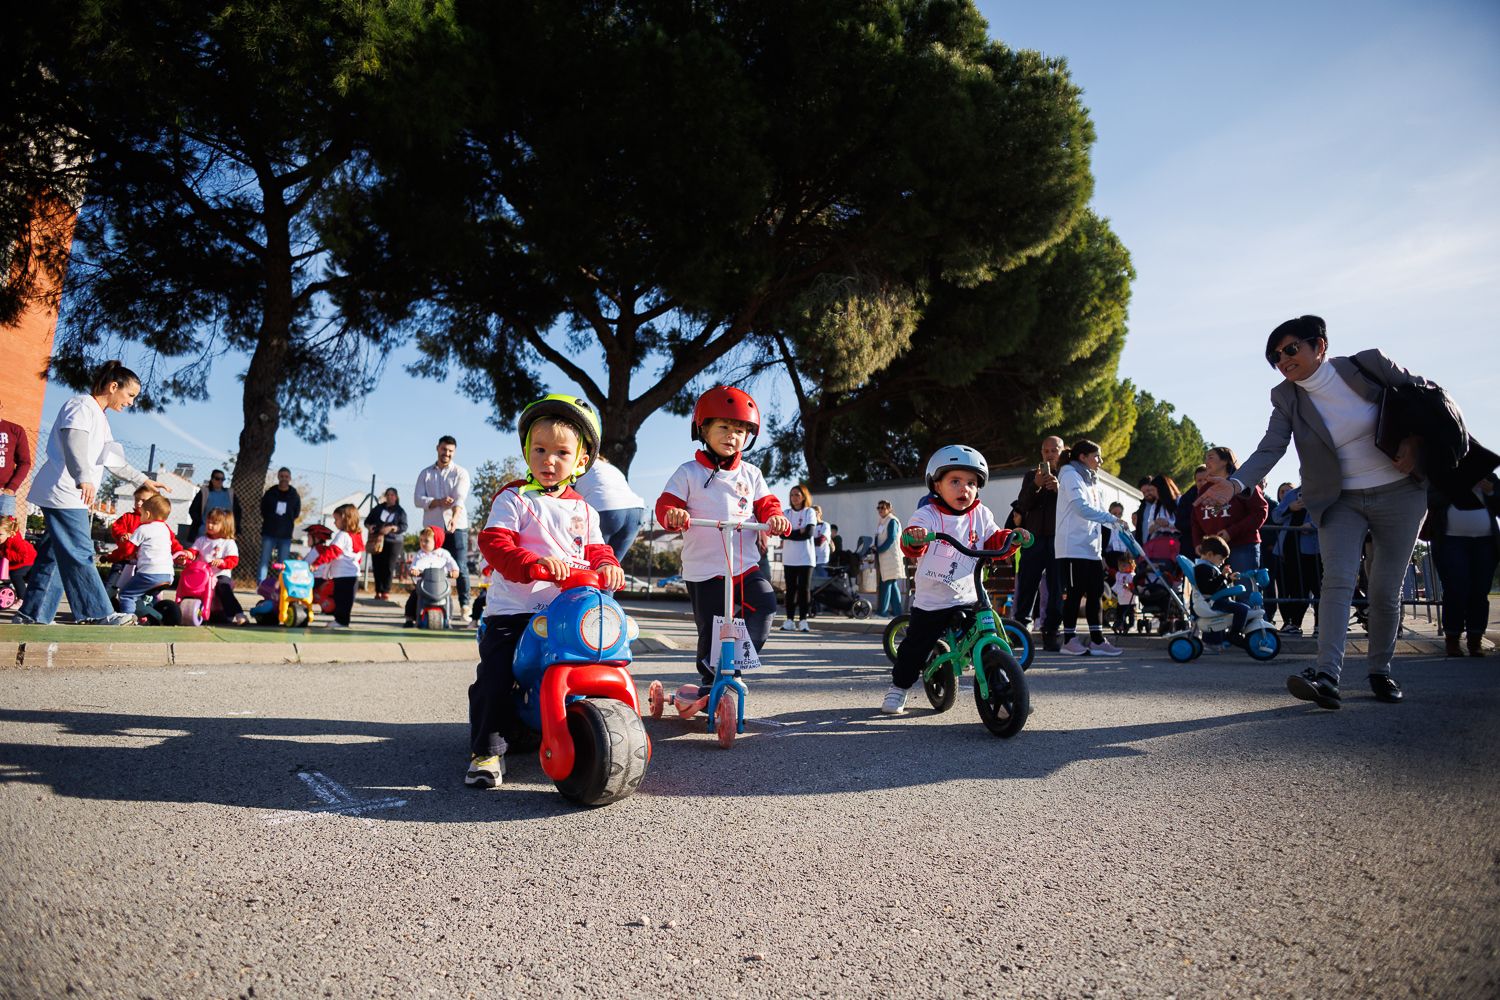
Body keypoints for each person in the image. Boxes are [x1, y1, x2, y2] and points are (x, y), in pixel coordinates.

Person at [1199, 315, 1443, 709]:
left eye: (1291, 349)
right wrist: (1236, 483)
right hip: (1339, 499)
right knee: (1338, 581)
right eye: (1275, 355)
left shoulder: (1369, 365)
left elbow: (1427, 398)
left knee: (1383, 590)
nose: (1283, 359)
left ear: (1320, 346)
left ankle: (1380, 670)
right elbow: (1270, 446)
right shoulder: (1286, 397)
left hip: (1401, 493)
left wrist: (1415, 443)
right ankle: (1327, 675)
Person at [469, 393, 623, 789]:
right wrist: (531, 564)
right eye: (539, 449)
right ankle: (486, 751)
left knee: (606, 655)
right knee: (496, 676)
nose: (548, 460)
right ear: (526, 451)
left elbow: (597, 549)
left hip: (564, 611)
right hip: (515, 609)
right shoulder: (514, 498)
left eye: (561, 452)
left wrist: (607, 565)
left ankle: (598, 725)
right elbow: (495, 543)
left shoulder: (585, 510)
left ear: (581, 461)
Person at [656, 386, 789, 700]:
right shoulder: (688, 473)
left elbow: (767, 504)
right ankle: (709, 678)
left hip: (744, 565)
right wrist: (673, 513)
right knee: (712, 626)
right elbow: (665, 505)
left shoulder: (752, 474)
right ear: (703, 429)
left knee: (766, 603)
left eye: (741, 430)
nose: (733, 435)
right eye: (724, 427)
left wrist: (775, 517)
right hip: (704, 568)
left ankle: (733, 666)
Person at [882, 444, 1031, 714]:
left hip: (970, 594)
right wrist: (914, 537)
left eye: (972, 483)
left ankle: (1007, 691)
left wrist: (1012, 538)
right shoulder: (928, 514)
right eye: (955, 481)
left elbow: (994, 540)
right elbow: (912, 540)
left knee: (990, 638)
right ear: (936, 485)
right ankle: (899, 688)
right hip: (933, 600)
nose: (965, 488)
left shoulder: (981, 514)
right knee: (915, 647)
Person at [16, 361, 167, 626]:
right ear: (113, 386)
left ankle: (32, 615)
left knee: (55, 556)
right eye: (130, 395)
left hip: (71, 494)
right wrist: (82, 476)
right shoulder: (81, 406)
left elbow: (114, 461)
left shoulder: (101, 417)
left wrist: (144, 481)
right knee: (80, 551)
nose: (131, 402)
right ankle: (97, 613)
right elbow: (74, 440)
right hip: (64, 492)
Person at [1054, 439, 1128, 656]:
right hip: (1071, 548)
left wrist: (1117, 525)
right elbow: (1081, 508)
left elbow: (1099, 513)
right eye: (1096, 456)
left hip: (1091, 549)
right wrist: (1112, 519)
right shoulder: (1069, 474)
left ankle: (1097, 640)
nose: (1101, 460)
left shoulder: (1092, 481)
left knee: (1096, 593)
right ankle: (1069, 640)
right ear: (1082, 457)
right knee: (1075, 594)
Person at [1426, 474, 1499, 657]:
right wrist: (1460, 485)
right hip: (1451, 541)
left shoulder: (1490, 478)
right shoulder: (1441, 475)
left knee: (1480, 591)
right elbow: (1429, 499)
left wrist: (1491, 492)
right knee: (1456, 588)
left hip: (1486, 542)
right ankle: (1453, 639)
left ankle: (1475, 640)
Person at [1010, 435, 1065, 651]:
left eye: (1054, 450)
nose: (1050, 454)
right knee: (1026, 586)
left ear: (1062, 451)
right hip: (1032, 539)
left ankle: (1051, 632)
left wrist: (1059, 489)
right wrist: (1035, 485)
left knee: (1055, 588)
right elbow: (1022, 504)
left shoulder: (1067, 476)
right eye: (1046, 451)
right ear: (1041, 453)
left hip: (1057, 539)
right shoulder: (1031, 476)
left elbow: (1072, 507)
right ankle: (1020, 631)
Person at [414, 435, 471, 621]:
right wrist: (437, 502)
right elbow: (417, 499)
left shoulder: (461, 472)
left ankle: (464, 607)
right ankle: (426, 602)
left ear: (454, 452)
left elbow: (459, 498)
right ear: (437, 448)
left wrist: (454, 518)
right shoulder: (425, 473)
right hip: (433, 529)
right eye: (444, 449)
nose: (447, 453)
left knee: (460, 567)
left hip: (457, 526)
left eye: (450, 451)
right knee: (429, 565)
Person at [1190, 447, 1267, 575]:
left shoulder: (1243, 484)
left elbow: (1260, 512)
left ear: (1225, 461)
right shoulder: (1205, 489)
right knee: (1218, 593)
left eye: (1210, 457)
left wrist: (1231, 532)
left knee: (1244, 590)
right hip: (1213, 552)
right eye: (1205, 458)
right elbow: (1195, 519)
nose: (1206, 461)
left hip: (1242, 547)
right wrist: (1198, 542)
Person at [573, 454, 646, 563]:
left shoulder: (579, 466)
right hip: (635, 510)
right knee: (612, 566)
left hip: (605, 508)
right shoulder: (611, 468)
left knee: (591, 560)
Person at [116, 495, 183, 615]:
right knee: (141, 597)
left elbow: (127, 549)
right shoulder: (165, 530)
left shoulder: (143, 529)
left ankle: (128, 620)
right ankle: (156, 617)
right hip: (167, 575)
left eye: (141, 514)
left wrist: (116, 555)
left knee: (126, 595)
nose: (140, 516)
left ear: (147, 514)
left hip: (149, 574)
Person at [1269, 484, 1321, 636]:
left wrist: (1311, 525)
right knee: (1297, 589)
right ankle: (1293, 624)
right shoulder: (1292, 494)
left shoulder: (1323, 490)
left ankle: (1319, 625)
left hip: (1314, 549)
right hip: (1289, 548)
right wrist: (1290, 508)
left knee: (1317, 587)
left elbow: (1329, 514)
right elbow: (1276, 516)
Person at [309, 503, 364, 630]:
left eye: (336, 519)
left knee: (341, 599)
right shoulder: (357, 535)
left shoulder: (342, 535)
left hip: (343, 575)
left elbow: (332, 552)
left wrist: (316, 564)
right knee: (346, 600)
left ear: (345, 519)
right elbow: (359, 555)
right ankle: (342, 620)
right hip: (352, 575)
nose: (334, 523)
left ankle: (341, 621)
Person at [192, 507, 247, 625]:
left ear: (224, 525)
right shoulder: (201, 540)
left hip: (220, 574)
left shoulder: (228, 542)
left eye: (214, 523)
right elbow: (193, 552)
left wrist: (222, 562)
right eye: (208, 522)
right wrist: (188, 554)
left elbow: (233, 560)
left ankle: (239, 614)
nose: (210, 525)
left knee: (223, 587)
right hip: (203, 575)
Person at [1192, 536, 1250, 643]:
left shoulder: (1208, 567)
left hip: (1216, 599)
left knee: (1245, 608)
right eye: (1221, 559)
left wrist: (1228, 579)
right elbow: (1208, 589)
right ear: (1210, 554)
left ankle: (1232, 634)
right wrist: (1222, 576)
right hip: (1213, 602)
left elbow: (1215, 585)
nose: (1222, 562)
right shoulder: (1202, 568)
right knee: (1242, 610)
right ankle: (1234, 634)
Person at [402, 526, 460, 626]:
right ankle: (409, 618)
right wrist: (414, 570)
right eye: (421, 540)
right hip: (424, 585)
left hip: (440, 585)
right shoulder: (420, 554)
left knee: (448, 599)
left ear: (436, 541)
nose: (422, 543)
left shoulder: (444, 554)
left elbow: (454, 566)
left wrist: (454, 571)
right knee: (413, 597)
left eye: (426, 541)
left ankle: (448, 619)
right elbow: (414, 566)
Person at [780, 484, 818, 632]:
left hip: (806, 558)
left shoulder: (810, 512)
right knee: (790, 590)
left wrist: (791, 533)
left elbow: (808, 533)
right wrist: (797, 532)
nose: (794, 498)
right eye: (792, 495)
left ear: (804, 496)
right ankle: (789, 620)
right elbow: (781, 534)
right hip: (789, 558)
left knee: (804, 590)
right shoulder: (786, 513)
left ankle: (803, 620)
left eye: (797, 494)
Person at [363, 488, 407, 600]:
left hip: (393, 541)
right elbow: (367, 521)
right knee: (377, 565)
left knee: (389, 566)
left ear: (396, 497)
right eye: (388, 494)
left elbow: (404, 526)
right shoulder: (378, 508)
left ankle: (385, 591)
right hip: (377, 540)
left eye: (392, 495)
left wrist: (392, 528)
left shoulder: (400, 511)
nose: (390, 497)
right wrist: (370, 527)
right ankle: (378, 590)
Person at [258, 467, 301, 580]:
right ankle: (261, 584)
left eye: (286, 477)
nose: (284, 479)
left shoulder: (294, 495)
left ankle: (281, 586)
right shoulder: (270, 493)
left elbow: (296, 513)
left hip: (285, 535)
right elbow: (263, 509)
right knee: (264, 561)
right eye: (282, 476)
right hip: (269, 533)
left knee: (283, 563)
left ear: (290, 478)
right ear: (278, 477)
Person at [185, 469, 241, 545]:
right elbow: (193, 510)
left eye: (222, 479)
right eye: (217, 478)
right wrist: (200, 523)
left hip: (225, 533)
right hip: (205, 532)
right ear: (212, 479)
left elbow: (238, 511)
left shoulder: (230, 493)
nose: (220, 481)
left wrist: (235, 526)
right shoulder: (204, 492)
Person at [0, 397, 34, 519]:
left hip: (4, 494)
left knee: (5, 535)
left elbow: (25, 463)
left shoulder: (15, 430)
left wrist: (11, 488)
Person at [873, 499, 903, 616]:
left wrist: (879, 549)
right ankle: (898, 612)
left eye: (883, 507)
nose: (880, 510)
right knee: (891, 583)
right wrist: (875, 547)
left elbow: (891, 538)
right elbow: (879, 537)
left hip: (891, 557)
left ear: (889, 508)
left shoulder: (892, 521)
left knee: (886, 584)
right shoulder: (882, 521)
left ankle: (882, 612)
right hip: (884, 557)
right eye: (878, 508)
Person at [1134, 475, 1179, 546]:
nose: (1148, 494)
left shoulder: (1179, 501)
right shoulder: (1147, 507)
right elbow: (1146, 529)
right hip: (1155, 546)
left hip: (1174, 544)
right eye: (1144, 493)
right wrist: (1156, 524)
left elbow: (1184, 524)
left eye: (1150, 490)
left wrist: (1168, 523)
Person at [0, 515, 37, 596]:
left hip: (27, 560)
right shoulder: (3, 539)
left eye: (0, 534)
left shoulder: (16, 541)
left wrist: (5, 554)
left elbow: (24, 556)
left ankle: (22, 598)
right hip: (14, 561)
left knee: (15, 575)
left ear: (10, 533)